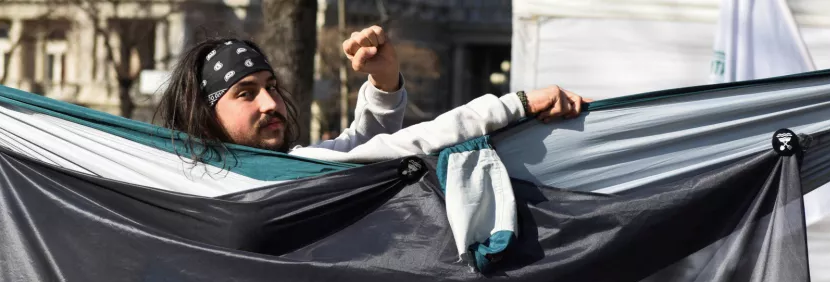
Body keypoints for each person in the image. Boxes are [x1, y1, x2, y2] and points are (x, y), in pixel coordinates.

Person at [155, 26, 590, 163]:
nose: (270, 104)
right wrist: (514, 105)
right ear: (205, 115)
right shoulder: (271, 179)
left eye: (270, 88)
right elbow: (401, 145)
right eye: (245, 94)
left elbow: (359, 146)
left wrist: (384, 84)